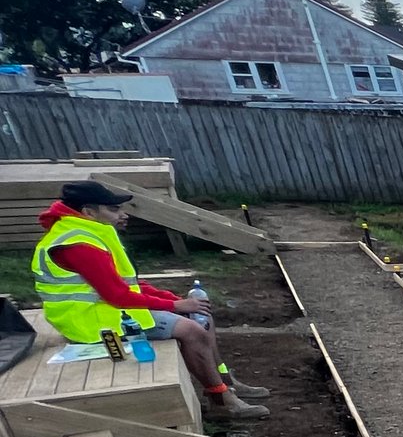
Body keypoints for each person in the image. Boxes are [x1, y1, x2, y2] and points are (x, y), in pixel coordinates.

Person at [30, 181, 269, 422]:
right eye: (113, 209)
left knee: (202, 314)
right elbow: (117, 295)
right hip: (92, 321)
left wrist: (172, 299)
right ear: (89, 212)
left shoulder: (89, 231)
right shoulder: (78, 244)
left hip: (105, 310)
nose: (123, 215)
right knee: (191, 330)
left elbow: (126, 283)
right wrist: (176, 306)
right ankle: (221, 401)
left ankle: (226, 381)